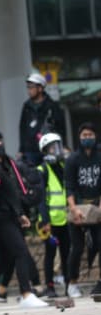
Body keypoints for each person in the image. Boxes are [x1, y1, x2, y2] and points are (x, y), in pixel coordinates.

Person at [0, 130, 50, 309]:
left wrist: (20, 214)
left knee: (4, 262)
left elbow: (12, 195)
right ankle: (26, 293)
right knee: (21, 252)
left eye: (0, 140)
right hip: (0, 220)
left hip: (10, 217)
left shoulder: (8, 164)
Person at [64, 123, 101, 298]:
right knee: (77, 248)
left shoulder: (99, 155)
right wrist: (73, 209)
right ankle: (72, 283)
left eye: (90, 134)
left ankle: (100, 282)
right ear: (79, 137)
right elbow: (69, 187)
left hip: (97, 207)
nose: (87, 138)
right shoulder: (72, 159)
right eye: (84, 135)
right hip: (77, 207)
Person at [37, 133, 70, 298]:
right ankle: (50, 287)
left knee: (66, 253)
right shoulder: (42, 169)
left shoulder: (63, 166)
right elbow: (41, 198)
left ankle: (69, 285)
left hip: (66, 219)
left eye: (58, 145)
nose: (56, 150)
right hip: (50, 221)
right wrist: (45, 221)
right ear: (44, 150)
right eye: (52, 147)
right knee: (50, 254)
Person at [19, 73, 65, 166]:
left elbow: (60, 127)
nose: (29, 90)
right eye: (28, 87)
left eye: (31, 87)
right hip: (30, 150)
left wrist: (63, 146)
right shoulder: (26, 106)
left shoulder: (52, 106)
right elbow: (22, 129)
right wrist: (21, 150)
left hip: (48, 147)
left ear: (40, 88)